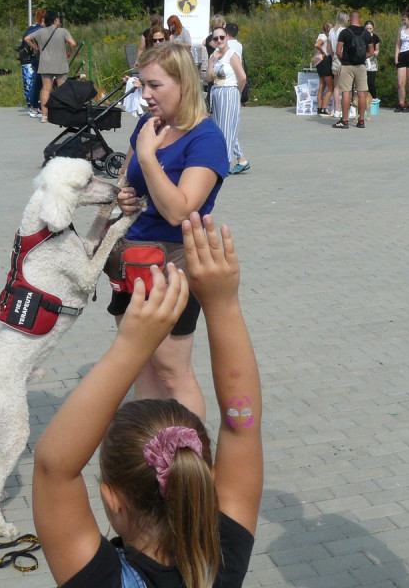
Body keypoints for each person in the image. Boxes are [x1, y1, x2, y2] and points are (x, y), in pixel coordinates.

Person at [32, 213, 263, 588]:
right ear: (207, 479)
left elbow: (52, 468)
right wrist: (224, 305)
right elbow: (243, 429)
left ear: (112, 501)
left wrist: (130, 345)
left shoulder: (108, 579)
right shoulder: (223, 556)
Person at [111, 43, 228, 418]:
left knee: (171, 370)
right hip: (131, 261)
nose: (144, 95)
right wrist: (124, 198)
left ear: (184, 84)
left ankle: (191, 460)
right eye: (142, 85)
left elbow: (179, 209)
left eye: (155, 86)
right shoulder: (149, 125)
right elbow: (126, 181)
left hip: (173, 263)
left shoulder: (206, 139)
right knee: (138, 364)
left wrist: (148, 157)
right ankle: (149, 456)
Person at [207, 26, 250, 174]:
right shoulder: (215, 55)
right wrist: (211, 61)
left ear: (227, 38)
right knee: (221, 129)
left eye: (221, 37)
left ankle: (224, 163)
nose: (219, 40)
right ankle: (242, 159)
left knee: (226, 130)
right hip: (217, 93)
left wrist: (237, 92)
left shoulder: (232, 55)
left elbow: (242, 77)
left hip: (229, 92)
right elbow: (208, 78)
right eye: (215, 38)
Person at [34, 10, 78, 124]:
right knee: (61, 90)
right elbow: (73, 43)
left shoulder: (40, 32)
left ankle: (44, 116)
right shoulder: (63, 31)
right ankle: (61, 114)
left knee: (46, 90)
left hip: (45, 64)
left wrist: (36, 48)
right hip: (60, 63)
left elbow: (27, 38)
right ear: (55, 20)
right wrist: (70, 52)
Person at [333, 10, 374, 129]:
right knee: (361, 93)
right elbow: (371, 52)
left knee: (346, 93)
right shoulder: (366, 33)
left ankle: (344, 121)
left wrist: (344, 58)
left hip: (347, 65)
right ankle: (361, 121)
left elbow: (338, 51)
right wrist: (362, 57)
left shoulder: (345, 32)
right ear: (360, 19)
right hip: (361, 66)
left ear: (349, 19)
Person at [21, 9, 46, 117]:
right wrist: (36, 48)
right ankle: (34, 106)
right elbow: (27, 39)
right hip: (36, 57)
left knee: (37, 82)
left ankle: (34, 106)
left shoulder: (33, 28)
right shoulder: (38, 29)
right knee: (37, 82)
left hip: (34, 57)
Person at [329, 10, 349, 118]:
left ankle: (337, 109)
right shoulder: (345, 31)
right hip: (343, 59)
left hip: (334, 59)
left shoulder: (332, 31)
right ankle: (348, 109)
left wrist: (333, 55)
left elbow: (329, 47)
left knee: (336, 86)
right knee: (346, 86)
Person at [314, 22, 335, 115]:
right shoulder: (324, 37)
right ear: (327, 30)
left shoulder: (320, 35)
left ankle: (319, 108)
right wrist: (323, 52)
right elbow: (317, 45)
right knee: (331, 86)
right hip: (325, 61)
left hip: (319, 63)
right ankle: (324, 108)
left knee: (322, 85)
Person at [364, 20, 381, 104]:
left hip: (372, 61)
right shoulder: (361, 36)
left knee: (371, 81)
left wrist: (376, 52)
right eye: (367, 29)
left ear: (373, 29)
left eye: (370, 28)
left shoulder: (375, 37)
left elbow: (377, 49)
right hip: (363, 60)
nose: (369, 30)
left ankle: (373, 97)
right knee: (363, 81)